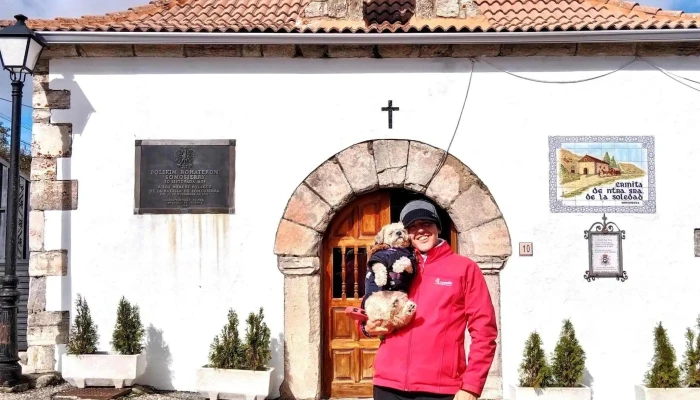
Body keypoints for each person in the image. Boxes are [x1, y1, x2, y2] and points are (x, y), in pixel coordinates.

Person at [358, 199, 498, 400]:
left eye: (426, 223)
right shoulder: (391, 263)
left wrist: (471, 386)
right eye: (412, 226)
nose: (420, 230)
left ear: (438, 227)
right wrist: (365, 327)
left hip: (440, 389)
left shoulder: (464, 268)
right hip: (388, 385)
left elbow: (484, 330)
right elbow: (368, 304)